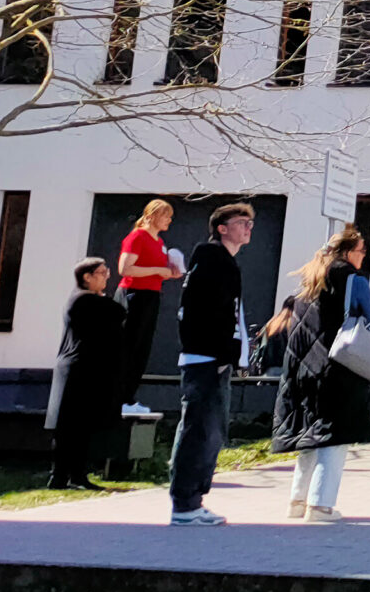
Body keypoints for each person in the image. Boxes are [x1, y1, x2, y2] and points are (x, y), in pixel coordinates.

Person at [268, 229, 370, 522]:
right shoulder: (353, 280)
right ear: (348, 252)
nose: (364, 255)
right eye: (361, 249)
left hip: (301, 368)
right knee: (335, 435)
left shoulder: (310, 279)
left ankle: (297, 501)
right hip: (337, 367)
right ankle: (320, 505)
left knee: (310, 434)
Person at [167, 202, 253, 526]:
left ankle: (193, 502)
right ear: (222, 227)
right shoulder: (210, 256)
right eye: (242, 222)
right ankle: (185, 504)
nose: (248, 227)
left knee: (211, 432)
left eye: (250, 223)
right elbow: (197, 310)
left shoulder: (225, 262)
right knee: (199, 430)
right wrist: (219, 354)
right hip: (206, 359)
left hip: (215, 358)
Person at [45, 258, 126, 489]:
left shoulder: (82, 300)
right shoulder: (85, 300)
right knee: (73, 426)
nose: (106, 276)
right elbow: (118, 312)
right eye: (101, 273)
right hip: (79, 370)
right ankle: (65, 476)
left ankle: (70, 475)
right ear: (86, 277)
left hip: (80, 368)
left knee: (77, 426)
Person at [113, 199, 182, 428]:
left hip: (151, 296)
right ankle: (117, 397)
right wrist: (157, 270)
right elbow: (125, 269)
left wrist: (169, 272)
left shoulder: (160, 242)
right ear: (152, 216)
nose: (169, 220)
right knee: (128, 346)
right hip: (133, 294)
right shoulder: (138, 236)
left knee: (142, 348)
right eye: (166, 216)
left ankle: (128, 396)